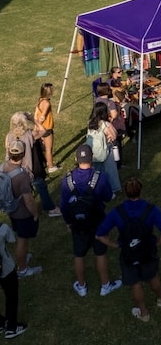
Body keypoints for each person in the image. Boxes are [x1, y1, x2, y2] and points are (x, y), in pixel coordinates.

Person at [96, 177, 161, 322]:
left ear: (126, 193)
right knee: (152, 275)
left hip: (128, 254)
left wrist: (116, 245)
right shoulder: (151, 210)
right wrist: (157, 244)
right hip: (147, 251)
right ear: (140, 191)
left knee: (135, 283)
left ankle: (143, 312)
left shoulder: (117, 212)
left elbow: (100, 234)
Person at [59, 144, 121, 298]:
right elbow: (107, 197)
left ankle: (81, 286)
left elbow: (63, 205)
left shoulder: (66, 180)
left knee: (79, 255)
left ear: (76, 159)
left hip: (77, 224)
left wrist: (68, 222)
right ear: (91, 158)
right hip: (98, 222)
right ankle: (105, 285)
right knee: (100, 253)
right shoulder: (100, 177)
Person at [5, 112, 61, 218]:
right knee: (41, 186)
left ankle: (21, 208)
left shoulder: (9, 136)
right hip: (30, 168)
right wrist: (33, 119)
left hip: (15, 169)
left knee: (20, 191)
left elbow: (7, 151)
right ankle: (50, 208)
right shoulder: (29, 135)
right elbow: (43, 131)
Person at [1, 140, 42, 278]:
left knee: (20, 237)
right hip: (23, 213)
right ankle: (22, 269)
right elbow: (29, 200)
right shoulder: (22, 176)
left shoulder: (3, 167)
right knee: (22, 240)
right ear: (23, 154)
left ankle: (22, 259)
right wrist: (35, 213)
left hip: (10, 209)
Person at [86, 102, 121, 195]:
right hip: (106, 152)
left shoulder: (90, 123)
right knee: (110, 172)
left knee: (97, 173)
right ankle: (112, 189)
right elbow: (114, 136)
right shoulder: (105, 124)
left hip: (94, 153)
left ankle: (98, 189)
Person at [0, 222, 27, 338]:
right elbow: (11, 239)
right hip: (6, 268)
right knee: (11, 297)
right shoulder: (3, 228)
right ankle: (12, 327)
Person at [34, 82, 58, 173]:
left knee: (44, 148)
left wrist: (36, 127)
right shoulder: (47, 103)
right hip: (46, 128)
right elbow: (42, 117)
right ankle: (51, 166)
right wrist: (38, 125)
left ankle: (47, 161)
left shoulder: (40, 100)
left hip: (41, 128)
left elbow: (36, 114)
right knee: (48, 148)